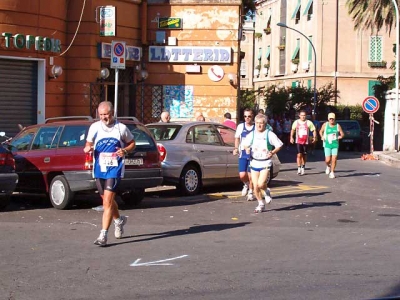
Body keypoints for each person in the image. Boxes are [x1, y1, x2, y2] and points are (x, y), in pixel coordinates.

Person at [84, 101, 136, 247]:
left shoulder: (121, 128)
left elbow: (132, 143)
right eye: (101, 115)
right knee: (107, 201)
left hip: (115, 168)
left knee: (107, 202)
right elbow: (88, 143)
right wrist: (88, 148)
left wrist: (125, 150)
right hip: (99, 168)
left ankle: (103, 235)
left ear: (112, 113)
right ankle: (119, 220)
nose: (103, 118)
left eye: (106, 114)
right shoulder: (94, 127)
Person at [243, 114, 283, 213]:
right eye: (257, 123)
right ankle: (260, 203)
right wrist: (247, 149)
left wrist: (272, 152)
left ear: (265, 124)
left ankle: (266, 191)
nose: (259, 125)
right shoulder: (252, 134)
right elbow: (245, 144)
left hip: (265, 162)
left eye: (261, 123)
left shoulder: (269, 134)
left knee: (261, 184)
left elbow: (279, 145)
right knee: (255, 185)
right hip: (254, 162)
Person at [233, 108, 255, 201]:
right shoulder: (241, 126)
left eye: (249, 116)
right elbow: (237, 138)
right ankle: (246, 184)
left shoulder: (256, 127)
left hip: (253, 154)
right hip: (243, 153)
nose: (247, 118)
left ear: (252, 116)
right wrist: (236, 148)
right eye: (245, 116)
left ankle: (251, 192)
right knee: (242, 175)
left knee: (251, 175)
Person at [290, 110, 317, 175]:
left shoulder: (308, 122)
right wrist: (291, 137)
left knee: (304, 155)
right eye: (302, 115)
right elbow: (293, 130)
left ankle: (303, 167)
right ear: (299, 116)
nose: (303, 117)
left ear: (306, 116)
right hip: (298, 141)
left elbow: (313, 130)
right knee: (299, 154)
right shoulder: (296, 122)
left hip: (306, 141)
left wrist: (314, 137)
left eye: (304, 115)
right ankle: (299, 167)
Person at [319, 112, 344, 179]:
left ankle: (332, 172)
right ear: (328, 119)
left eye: (332, 119)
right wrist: (322, 136)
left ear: (334, 119)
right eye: (330, 119)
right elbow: (320, 131)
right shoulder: (325, 125)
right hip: (327, 144)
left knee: (334, 159)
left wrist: (340, 137)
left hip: (335, 144)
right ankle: (328, 166)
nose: (331, 120)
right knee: (327, 160)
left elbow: (342, 134)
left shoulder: (337, 126)